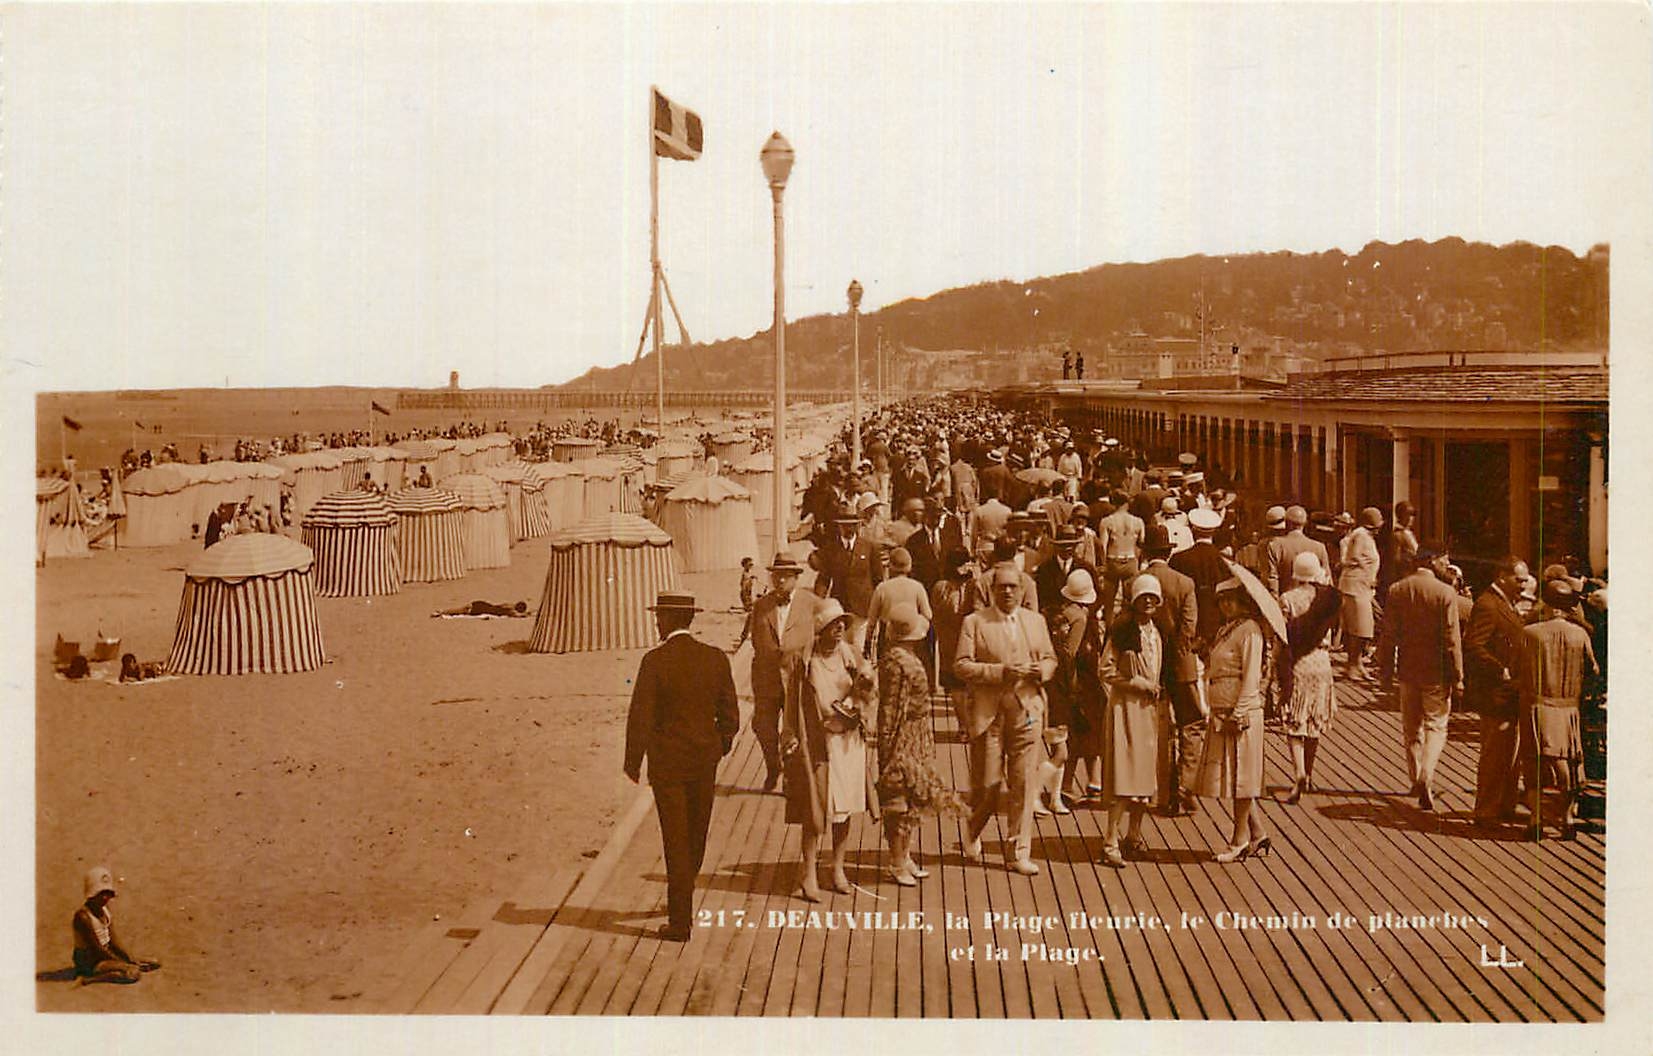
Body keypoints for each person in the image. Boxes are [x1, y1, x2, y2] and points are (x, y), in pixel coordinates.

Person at [623, 591, 740, 942]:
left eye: (659, 616)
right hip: (704, 761)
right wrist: (720, 745)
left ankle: (679, 921)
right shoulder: (715, 658)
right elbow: (730, 712)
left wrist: (633, 761)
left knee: (675, 838)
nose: (656, 621)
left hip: (668, 764)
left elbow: (640, 715)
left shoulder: (654, 661)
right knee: (696, 832)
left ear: (670, 620)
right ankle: (683, 896)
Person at [954, 563, 1059, 876]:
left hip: (1027, 711)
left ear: (1023, 589)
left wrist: (1042, 671)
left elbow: (1051, 658)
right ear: (992, 590)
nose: (1009, 592)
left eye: (1014, 586)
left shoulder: (1036, 621)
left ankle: (1018, 850)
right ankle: (973, 831)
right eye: (1002, 587)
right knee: (988, 786)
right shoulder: (975, 622)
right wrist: (999, 672)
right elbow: (961, 665)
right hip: (989, 715)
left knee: (1024, 783)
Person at [782, 599, 880, 899]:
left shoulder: (851, 656)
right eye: (833, 625)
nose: (839, 630)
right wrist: (789, 735)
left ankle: (838, 868)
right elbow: (792, 701)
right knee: (815, 809)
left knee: (845, 808)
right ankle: (809, 871)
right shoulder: (805, 660)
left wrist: (861, 703)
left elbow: (870, 693)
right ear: (821, 629)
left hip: (849, 742)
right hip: (819, 743)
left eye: (842, 624)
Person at [876, 604, 964, 885]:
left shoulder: (902, 657)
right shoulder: (897, 662)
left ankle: (905, 855)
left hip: (915, 733)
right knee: (898, 799)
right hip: (904, 737)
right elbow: (892, 708)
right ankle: (896, 860)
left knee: (913, 797)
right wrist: (888, 748)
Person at [1193, 576, 1274, 863]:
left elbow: (1251, 676)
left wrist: (1239, 713)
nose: (1227, 605)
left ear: (1243, 602)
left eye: (1232, 600)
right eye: (1222, 601)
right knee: (1236, 773)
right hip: (1222, 708)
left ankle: (1238, 840)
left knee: (1240, 776)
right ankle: (1257, 833)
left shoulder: (1250, 631)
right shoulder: (1228, 629)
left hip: (1241, 712)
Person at [1381, 546, 1464, 811]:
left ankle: (1415, 777)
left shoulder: (1397, 589)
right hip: (1437, 672)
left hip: (1407, 668)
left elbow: (1389, 635)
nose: (1447, 565)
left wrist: (1384, 671)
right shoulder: (1445, 593)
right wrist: (1458, 676)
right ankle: (1427, 773)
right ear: (1432, 561)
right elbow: (1452, 639)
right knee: (1436, 726)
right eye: (1444, 560)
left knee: (1411, 727)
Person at [1096, 575, 1168, 866]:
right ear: (1134, 600)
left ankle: (1133, 835)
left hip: (1149, 711)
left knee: (1145, 777)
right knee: (1125, 774)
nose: (1149, 601)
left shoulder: (1157, 631)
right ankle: (1110, 840)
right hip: (1126, 708)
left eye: (1153, 597)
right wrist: (1134, 682)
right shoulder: (1122, 631)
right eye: (1143, 597)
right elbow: (1105, 670)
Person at [1518, 580, 1598, 841]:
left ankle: (1535, 819)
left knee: (1534, 762)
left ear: (1546, 603)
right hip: (1568, 708)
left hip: (1537, 706)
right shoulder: (1580, 635)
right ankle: (1567, 818)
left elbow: (1514, 668)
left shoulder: (1530, 633)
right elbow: (1593, 670)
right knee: (1570, 763)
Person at [1142, 526, 1204, 816]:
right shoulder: (1184, 583)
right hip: (1181, 665)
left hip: (1147, 666)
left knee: (1157, 729)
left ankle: (1161, 791)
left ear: (1145, 552)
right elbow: (1188, 629)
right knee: (1191, 724)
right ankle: (1186, 786)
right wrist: (1178, 656)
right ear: (1169, 552)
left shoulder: (1138, 581)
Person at [742, 553, 816, 792]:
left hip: (797, 676)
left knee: (793, 729)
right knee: (763, 726)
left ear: (796, 578)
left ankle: (790, 778)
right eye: (776, 575)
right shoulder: (762, 605)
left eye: (785, 576)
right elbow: (754, 640)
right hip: (766, 676)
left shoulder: (811, 603)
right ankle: (773, 767)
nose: (780, 580)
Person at [1278, 551, 1342, 802]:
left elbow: (1282, 637)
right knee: (1315, 719)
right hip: (1322, 661)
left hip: (1299, 663)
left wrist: (1275, 670)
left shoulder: (1287, 599)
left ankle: (1299, 773)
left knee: (1295, 721)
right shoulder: (1326, 599)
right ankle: (1311, 774)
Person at [1048, 568, 1102, 811]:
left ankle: (1086, 782)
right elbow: (1071, 652)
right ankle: (1075, 785)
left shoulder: (1064, 612)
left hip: (1071, 681)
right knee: (1085, 733)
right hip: (1081, 682)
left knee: (1082, 734)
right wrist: (1072, 685)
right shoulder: (1080, 617)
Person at [72, 866, 161, 984]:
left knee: (155, 962)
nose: (105, 898)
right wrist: (124, 963)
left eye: (107, 893)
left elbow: (113, 939)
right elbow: (97, 948)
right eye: (101, 894)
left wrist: (130, 957)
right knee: (133, 973)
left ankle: (118, 967)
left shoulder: (105, 909)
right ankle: (89, 979)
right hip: (91, 960)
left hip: (106, 951)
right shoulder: (83, 917)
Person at [1338, 507, 1383, 680]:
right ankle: (1352, 666)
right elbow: (1354, 556)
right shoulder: (1361, 535)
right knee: (1359, 628)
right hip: (1355, 586)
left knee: (1362, 627)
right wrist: (1366, 572)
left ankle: (1357, 664)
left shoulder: (1365, 536)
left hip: (1361, 587)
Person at [1096, 490, 1146, 623]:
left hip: (1113, 560)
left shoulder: (1106, 521)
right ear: (1127, 503)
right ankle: (1129, 627)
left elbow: (1103, 546)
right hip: (1130, 560)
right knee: (1129, 599)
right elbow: (1141, 543)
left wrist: (1103, 566)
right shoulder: (1138, 521)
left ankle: (1109, 630)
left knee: (1109, 603)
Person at [435, 600, 530, 617]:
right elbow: (519, 616)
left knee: (459, 609)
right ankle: (442, 612)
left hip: (482, 604)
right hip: (481, 610)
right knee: (459, 611)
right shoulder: (510, 611)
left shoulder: (507, 605)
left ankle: (442, 611)